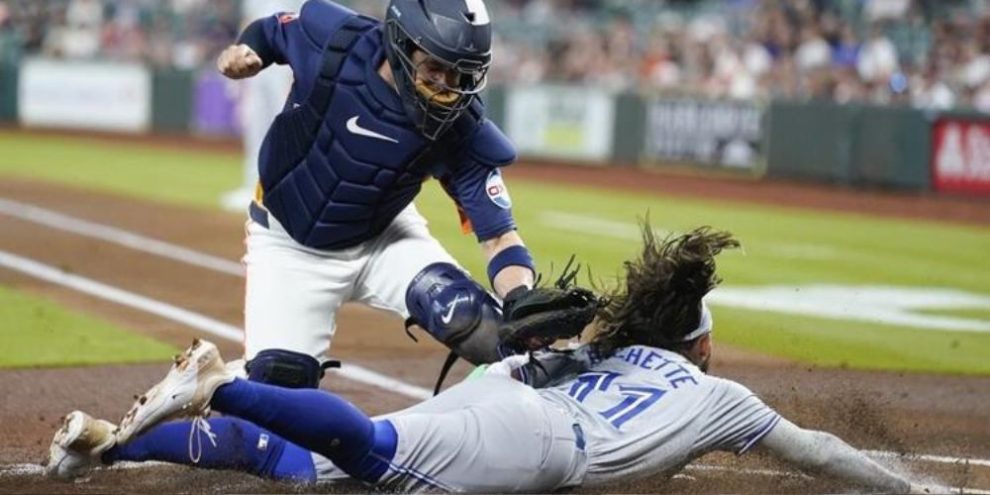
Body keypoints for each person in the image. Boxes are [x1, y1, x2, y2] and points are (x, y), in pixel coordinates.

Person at [46, 226, 935, 493]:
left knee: (310, 465)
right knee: (367, 457)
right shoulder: (726, 396)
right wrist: (916, 491)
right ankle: (221, 384)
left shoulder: (604, 352)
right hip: (541, 446)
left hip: (503, 401)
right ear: (700, 343)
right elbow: (819, 451)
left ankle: (110, 446)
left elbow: (508, 368)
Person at [214, 0, 559, 389]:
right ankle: (211, 384)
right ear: (401, 45)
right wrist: (249, 51)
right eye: (435, 69)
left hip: (384, 236)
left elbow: (499, 236)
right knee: (278, 390)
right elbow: (271, 31)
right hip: (288, 242)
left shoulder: (464, 130)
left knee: (478, 323)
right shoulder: (334, 39)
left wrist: (520, 300)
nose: (447, 88)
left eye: (461, 75)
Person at [220, 0, 303, 212]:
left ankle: (290, 192)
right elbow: (250, 18)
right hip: (256, 51)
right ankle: (252, 187)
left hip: (288, 51)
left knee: (285, 121)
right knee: (255, 121)